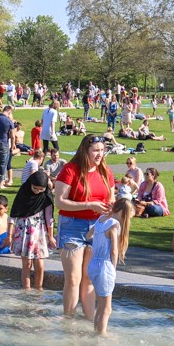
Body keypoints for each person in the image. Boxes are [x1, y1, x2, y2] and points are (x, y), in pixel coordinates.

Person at [54, 134, 116, 316]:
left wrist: (112, 207)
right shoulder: (70, 170)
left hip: (97, 227)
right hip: (72, 226)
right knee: (73, 278)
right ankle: (69, 320)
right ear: (85, 151)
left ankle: (89, 320)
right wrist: (89, 205)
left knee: (89, 278)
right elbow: (60, 202)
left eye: (102, 150)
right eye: (96, 150)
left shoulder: (105, 172)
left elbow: (111, 197)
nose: (100, 154)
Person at [81, 197, 134, 333]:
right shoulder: (114, 225)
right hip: (105, 266)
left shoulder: (101, 219)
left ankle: (96, 331)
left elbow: (88, 235)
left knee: (100, 305)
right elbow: (114, 250)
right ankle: (101, 335)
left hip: (93, 264)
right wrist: (113, 269)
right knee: (107, 308)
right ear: (123, 213)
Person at [8, 171, 56, 290]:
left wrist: (50, 236)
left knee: (39, 263)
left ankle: (39, 288)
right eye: (35, 188)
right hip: (23, 230)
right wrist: (9, 235)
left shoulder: (46, 196)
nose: (37, 191)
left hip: (39, 231)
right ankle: (26, 289)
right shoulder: (23, 192)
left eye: (41, 189)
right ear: (30, 184)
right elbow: (13, 214)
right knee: (27, 263)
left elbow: (49, 217)